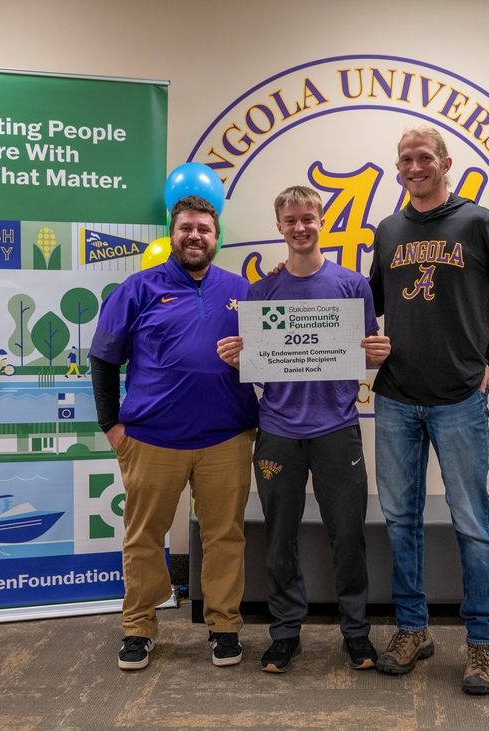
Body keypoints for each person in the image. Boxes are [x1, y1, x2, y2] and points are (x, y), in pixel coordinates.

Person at [367, 124, 489, 695]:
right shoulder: (388, 231)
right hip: (394, 400)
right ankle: (413, 629)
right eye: (404, 159)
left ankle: (483, 643)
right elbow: (372, 309)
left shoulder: (478, 222)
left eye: (423, 157)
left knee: (472, 524)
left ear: (444, 162)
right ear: (398, 170)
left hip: (460, 400)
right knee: (400, 520)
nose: (414, 166)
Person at [217, 185, 391, 674]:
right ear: (279, 227)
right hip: (277, 429)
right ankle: (284, 634)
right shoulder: (262, 291)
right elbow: (257, 358)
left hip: (338, 427)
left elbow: (366, 350)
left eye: (308, 218)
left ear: (322, 221)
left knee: (349, 536)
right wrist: (236, 358)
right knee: (279, 539)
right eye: (291, 220)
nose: (300, 227)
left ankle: (356, 633)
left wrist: (377, 354)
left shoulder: (353, 286)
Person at [89, 195, 259, 671]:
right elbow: (103, 359)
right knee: (144, 536)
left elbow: (267, 355)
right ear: (173, 233)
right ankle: (138, 628)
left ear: (216, 235)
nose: (195, 236)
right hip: (151, 438)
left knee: (225, 535)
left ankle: (224, 626)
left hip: (225, 437)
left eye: (204, 228)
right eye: (186, 227)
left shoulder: (241, 289)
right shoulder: (138, 288)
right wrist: (112, 426)